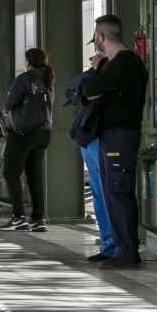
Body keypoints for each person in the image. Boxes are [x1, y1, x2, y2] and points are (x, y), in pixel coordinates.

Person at [80, 15, 149, 269]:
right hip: (117, 135)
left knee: (118, 191)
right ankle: (123, 248)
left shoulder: (121, 63)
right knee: (114, 191)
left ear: (101, 37)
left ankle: (126, 251)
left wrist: (97, 69)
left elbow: (89, 90)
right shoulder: (127, 63)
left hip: (119, 135)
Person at [65, 51, 116, 262]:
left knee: (107, 191)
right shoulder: (90, 76)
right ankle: (109, 243)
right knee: (98, 192)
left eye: (95, 57)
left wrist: (97, 69)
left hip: (101, 137)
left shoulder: (110, 72)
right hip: (89, 138)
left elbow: (90, 92)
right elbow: (79, 91)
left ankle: (114, 243)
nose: (91, 61)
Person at [0, 48, 55, 232]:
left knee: (11, 173)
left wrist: (6, 115)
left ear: (28, 62)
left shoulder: (25, 78)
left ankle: (19, 217)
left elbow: (8, 104)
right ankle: (38, 220)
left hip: (23, 132)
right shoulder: (48, 81)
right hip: (44, 132)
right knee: (34, 175)